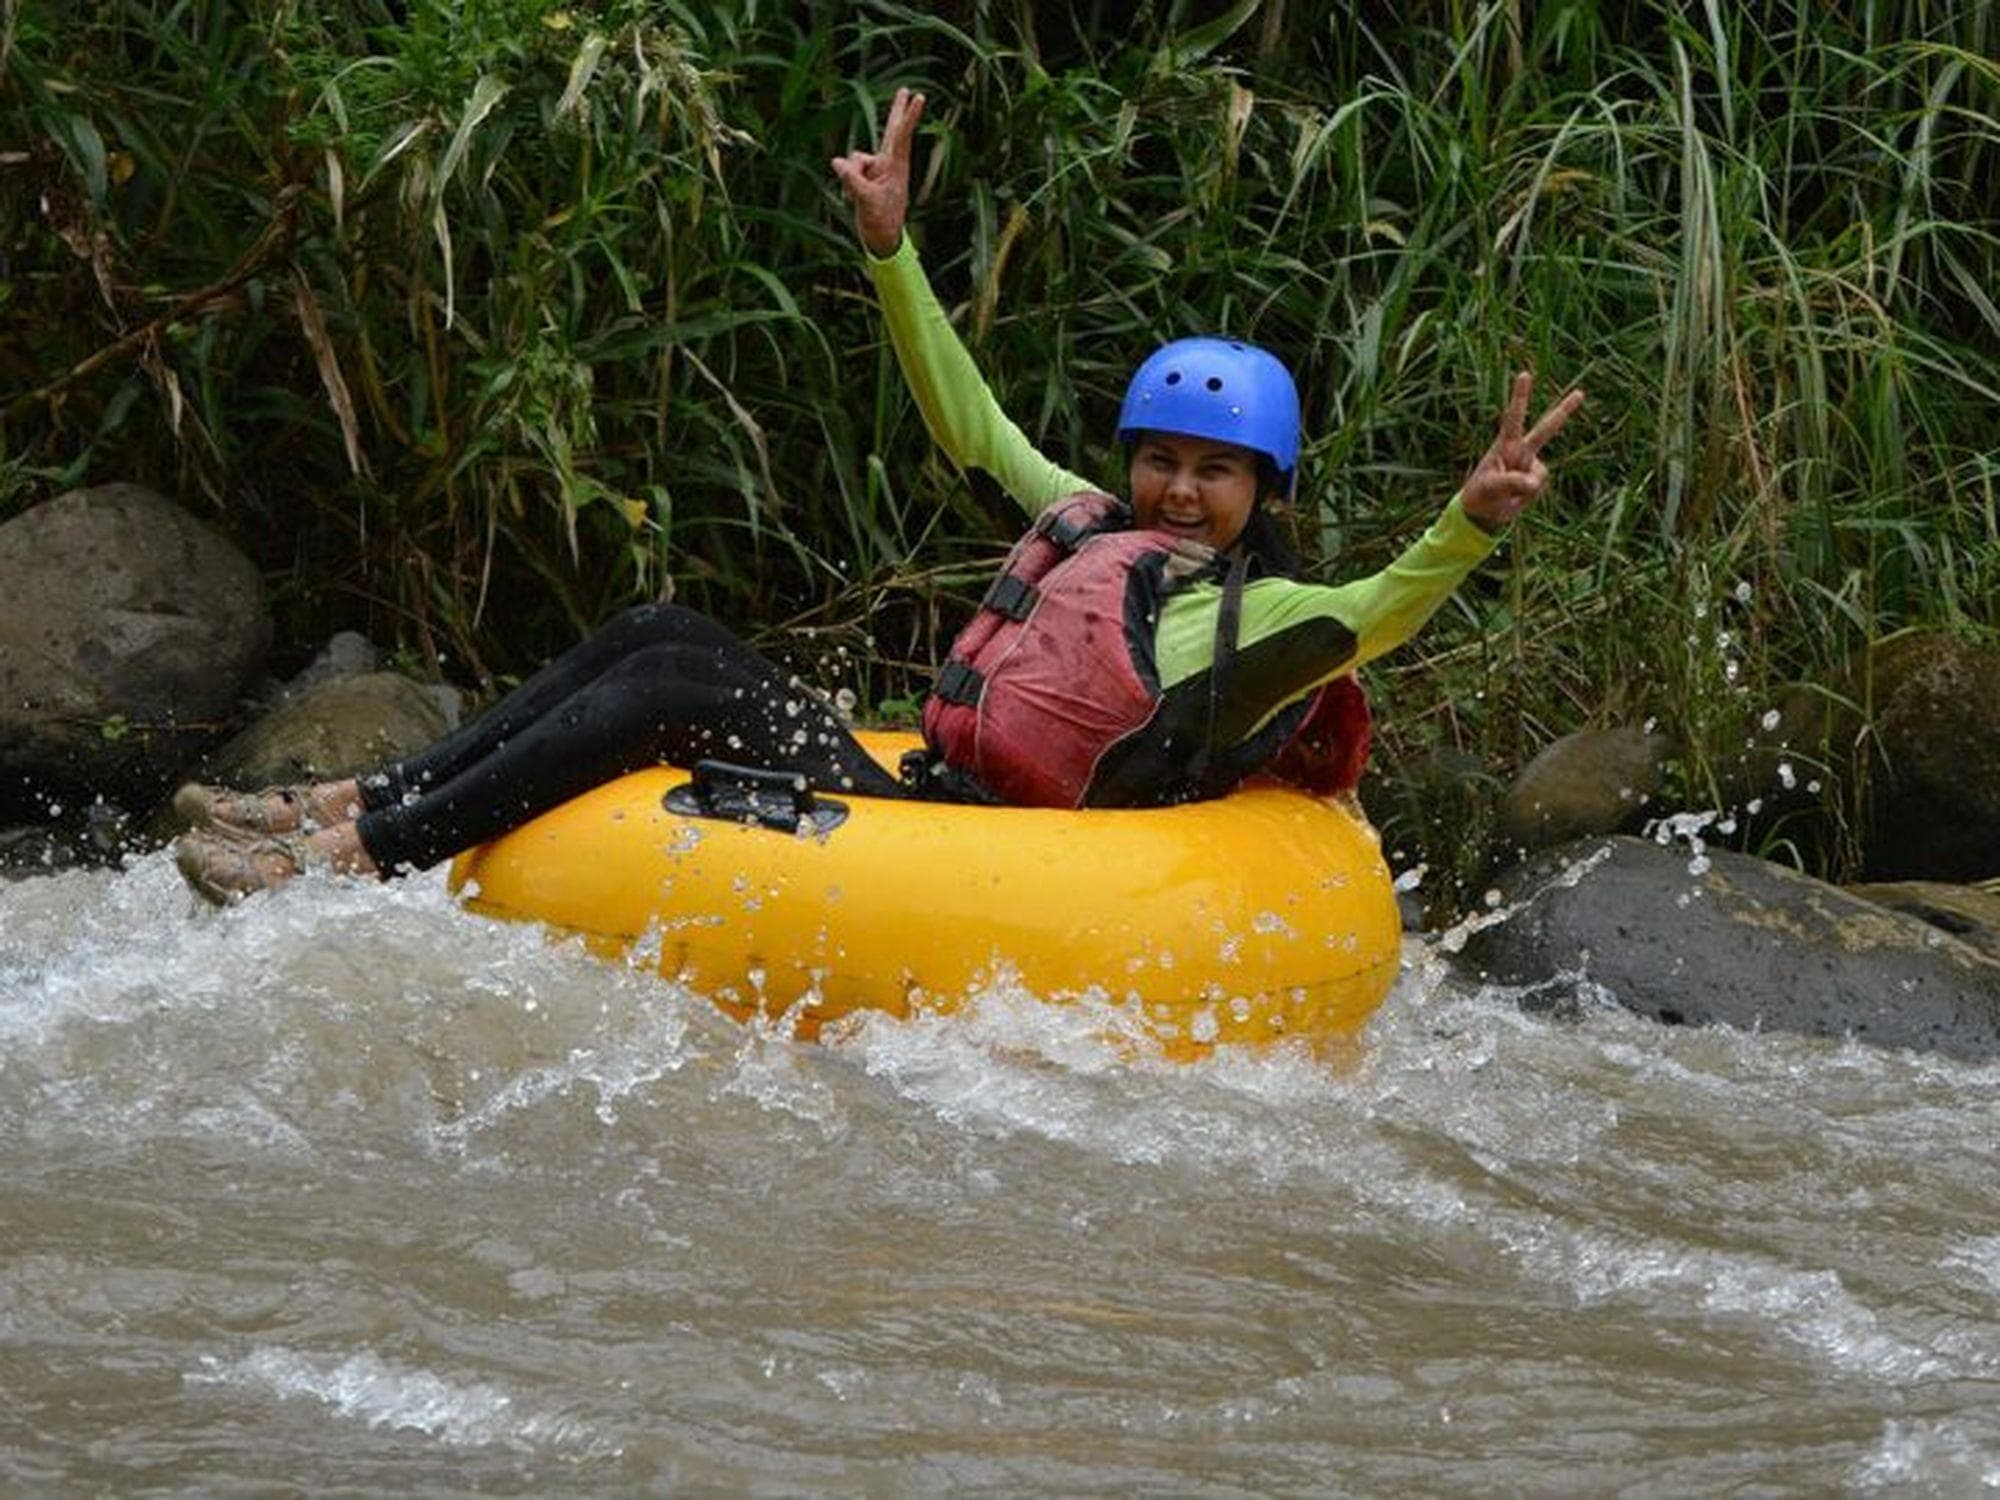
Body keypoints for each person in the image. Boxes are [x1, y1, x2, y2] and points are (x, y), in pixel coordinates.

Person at [173, 85, 1581, 903]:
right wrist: (893, 252)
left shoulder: (1262, 613)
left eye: (1213, 473)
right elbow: (965, 417)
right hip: (928, 786)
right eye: (1162, 458)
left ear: (1260, 489)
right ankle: (362, 801)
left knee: (688, 689)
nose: (1177, 488)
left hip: (1002, 859)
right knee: (665, 630)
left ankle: (360, 852)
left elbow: (1383, 612)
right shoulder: (1090, 516)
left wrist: (1471, 521)